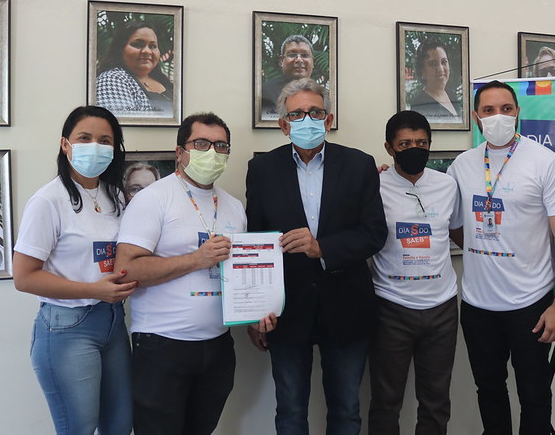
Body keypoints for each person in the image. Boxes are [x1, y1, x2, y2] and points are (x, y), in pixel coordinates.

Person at [114, 112, 276, 435]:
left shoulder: (233, 206)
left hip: (217, 346)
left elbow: (241, 271)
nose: (212, 152)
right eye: (201, 143)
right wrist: (196, 259)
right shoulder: (153, 199)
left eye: (220, 146)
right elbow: (126, 269)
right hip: (162, 345)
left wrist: (255, 314)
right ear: (180, 152)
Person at [245, 77, 388, 435]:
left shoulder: (359, 164)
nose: (307, 120)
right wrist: (254, 310)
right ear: (283, 125)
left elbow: (374, 233)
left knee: (346, 410)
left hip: (347, 306)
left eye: (315, 112)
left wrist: (322, 247)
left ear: (329, 119)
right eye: (297, 114)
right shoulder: (262, 170)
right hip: (286, 309)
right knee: (290, 411)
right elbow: (255, 241)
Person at [447, 80, 555, 435]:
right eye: (489, 110)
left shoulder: (545, 162)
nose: (498, 117)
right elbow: (456, 226)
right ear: (476, 117)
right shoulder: (462, 165)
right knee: (489, 390)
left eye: (506, 109)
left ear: (518, 112)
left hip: (531, 304)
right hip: (477, 305)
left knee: (534, 395)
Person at [13, 105, 137, 435]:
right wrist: (93, 290)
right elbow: (23, 277)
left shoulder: (115, 195)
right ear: (65, 144)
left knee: (120, 425)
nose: (95, 146)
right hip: (68, 326)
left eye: (104, 140)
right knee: (79, 428)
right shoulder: (48, 201)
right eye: (84, 138)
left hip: (113, 322)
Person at [368, 110, 460, 435]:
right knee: (386, 401)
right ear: (389, 148)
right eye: (405, 144)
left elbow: (458, 231)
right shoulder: (374, 186)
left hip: (442, 307)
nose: (414, 149)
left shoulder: (447, 185)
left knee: (436, 401)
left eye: (421, 142)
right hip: (391, 307)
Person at [96, 20, 173, 116]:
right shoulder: (111, 79)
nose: (147, 51)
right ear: (120, 49)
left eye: (152, 46)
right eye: (138, 44)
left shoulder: (165, 82)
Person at [260, 35, 315, 120]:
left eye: (305, 55)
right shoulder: (264, 93)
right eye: (292, 55)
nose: (299, 60)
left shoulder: (322, 95)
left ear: (313, 62)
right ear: (281, 61)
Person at [408, 39, 462, 123]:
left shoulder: (452, 95)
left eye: (444, 62)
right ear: (422, 71)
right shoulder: (420, 104)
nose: (440, 69)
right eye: (433, 64)